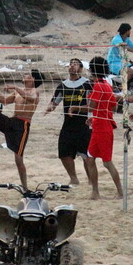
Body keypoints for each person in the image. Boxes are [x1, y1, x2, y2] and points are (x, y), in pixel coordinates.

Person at [0, 70, 43, 189]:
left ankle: (25, 186)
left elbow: (30, 98)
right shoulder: (17, 92)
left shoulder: (35, 92)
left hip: (23, 125)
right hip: (11, 121)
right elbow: (3, 101)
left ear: (33, 79)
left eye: (27, 75)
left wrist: (15, 87)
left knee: (18, 158)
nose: (25, 76)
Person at [44, 58, 94, 186]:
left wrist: (79, 109)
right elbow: (54, 102)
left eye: (75, 64)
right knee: (64, 152)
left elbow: (92, 105)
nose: (72, 66)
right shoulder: (63, 85)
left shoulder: (87, 84)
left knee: (87, 156)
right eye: (70, 64)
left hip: (84, 124)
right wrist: (50, 107)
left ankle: (91, 180)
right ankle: (73, 178)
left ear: (81, 69)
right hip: (68, 124)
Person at [86, 56, 123, 200]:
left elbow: (91, 106)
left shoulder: (99, 86)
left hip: (103, 128)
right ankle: (95, 192)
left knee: (107, 162)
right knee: (90, 159)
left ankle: (121, 192)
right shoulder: (107, 85)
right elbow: (113, 105)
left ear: (92, 70)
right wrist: (96, 116)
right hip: (99, 125)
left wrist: (75, 107)